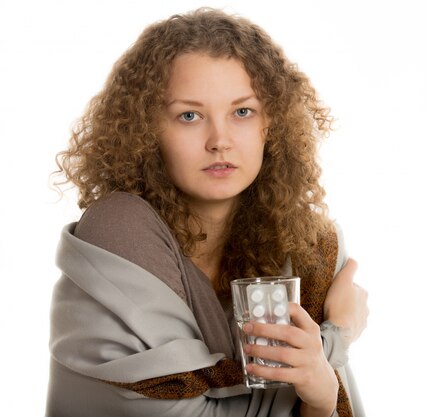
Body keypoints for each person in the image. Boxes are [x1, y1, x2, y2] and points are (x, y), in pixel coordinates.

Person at [46, 7, 368, 417]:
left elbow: (331, 400)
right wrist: (335, 339)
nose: (220, 140)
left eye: (242, 112)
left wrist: (321, 396)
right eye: (190, 116)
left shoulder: (307, 247)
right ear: (149, 129)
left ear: (269, 125)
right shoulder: (118, 230)